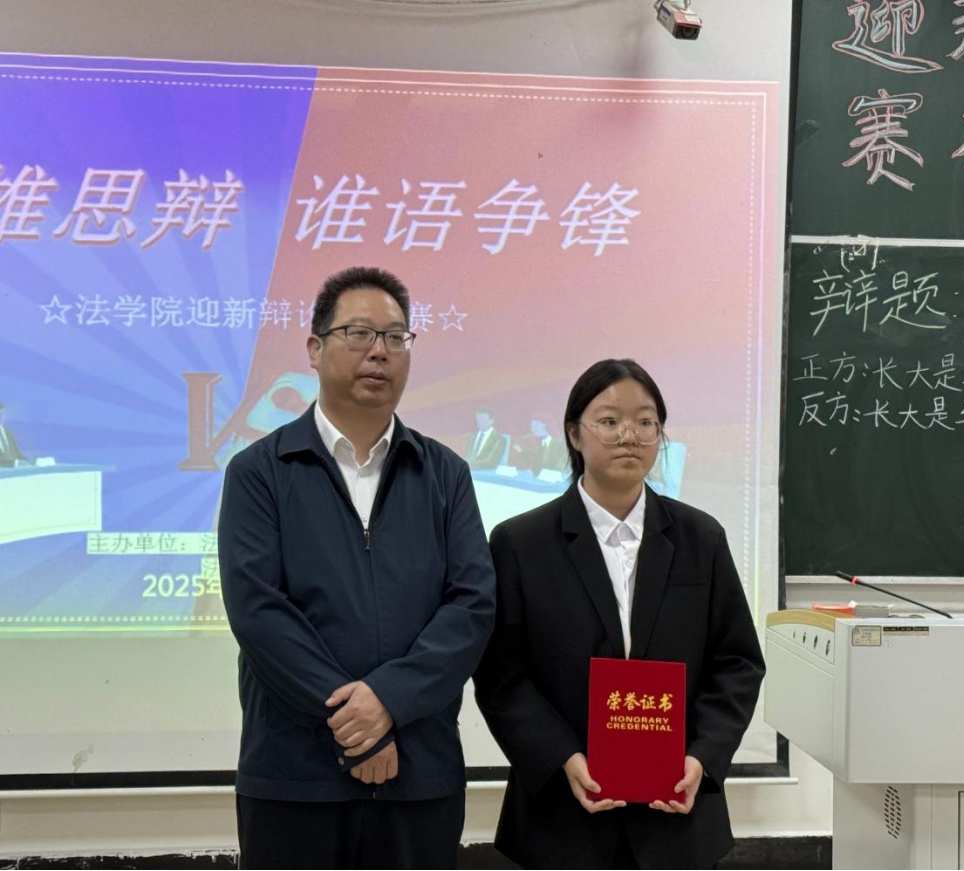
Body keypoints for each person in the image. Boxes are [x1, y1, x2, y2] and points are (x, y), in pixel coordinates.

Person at [219, 266, 496, 871]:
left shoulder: (445, 474)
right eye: (359, 332)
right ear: (314, 349)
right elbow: (258, 610)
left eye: (396, 337)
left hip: (418, 771)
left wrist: (389, 700)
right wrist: (357, 726)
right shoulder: (260, 471)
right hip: (296, 775)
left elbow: (472, 605)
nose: (380, 351)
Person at [474, 359, 765, 870]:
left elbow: (737, 662)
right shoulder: (520, 542)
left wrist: (702, 756)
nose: (629, 436)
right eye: (609, 421)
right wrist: (562, 757)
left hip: (676, 814)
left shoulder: (701, 538)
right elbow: (500, 673)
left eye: (645, 422)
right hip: (561, 816)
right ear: (574, 434)